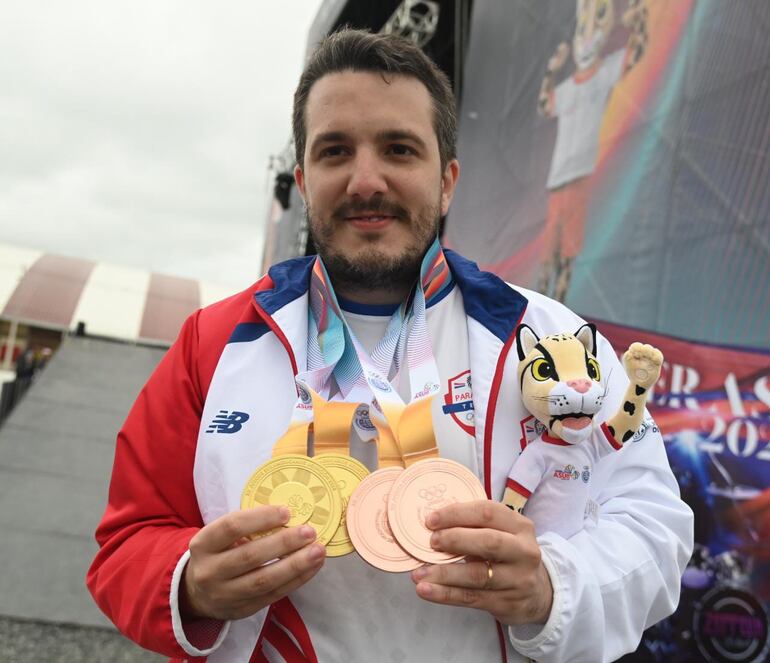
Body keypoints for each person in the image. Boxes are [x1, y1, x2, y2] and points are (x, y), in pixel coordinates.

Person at [87, 29, 693, 662]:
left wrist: (552, 587)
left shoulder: (553, 341)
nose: (365, 181)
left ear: (447, 180)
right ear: (303, 178)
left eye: (399, 150)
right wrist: (189, 584)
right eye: (335, 152)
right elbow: (128, 541)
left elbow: (655, 528)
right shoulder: (212, 343)